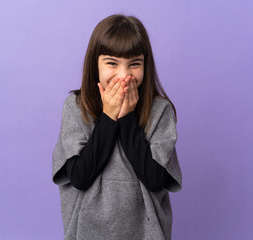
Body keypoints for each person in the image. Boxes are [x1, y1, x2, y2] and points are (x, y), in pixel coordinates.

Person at [52, 14, 182, 240]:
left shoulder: (160, 111)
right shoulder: (75, 108)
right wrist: (108, 118)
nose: (124, 76)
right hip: (88, 231)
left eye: (134, 64)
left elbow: (154, 179)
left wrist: (128, 118)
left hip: (145, 232)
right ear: (96, 64)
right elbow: (80, 177)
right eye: (112, 63)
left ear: (145, 65)